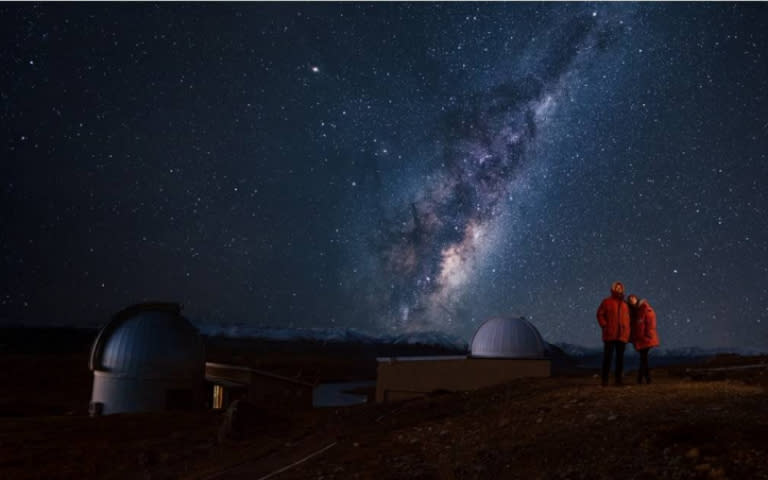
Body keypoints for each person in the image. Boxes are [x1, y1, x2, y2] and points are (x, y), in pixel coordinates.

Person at [596, 281, 631, 386]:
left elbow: (627, 319)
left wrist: (627, 331)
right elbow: (599, 314)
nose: (619, 289)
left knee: (620, 359)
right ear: (613, 289)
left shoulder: (625, 304)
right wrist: (604, 325)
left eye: (621, 287)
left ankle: (618, 381)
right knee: (608, 358)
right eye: (617, 287)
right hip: (610, 334)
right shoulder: (606, 301)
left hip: (622, 335)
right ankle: (604, 381)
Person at [630, 298, 660, 384]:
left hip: (645, 339)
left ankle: (644, 379)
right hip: (642, 339)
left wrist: (647, 335)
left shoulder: (646, 309)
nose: (633, 303)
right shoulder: (639, 311)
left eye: (634, 300)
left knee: (643, 359)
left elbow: (650, 324)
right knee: (643, 359)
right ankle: (644, 379)